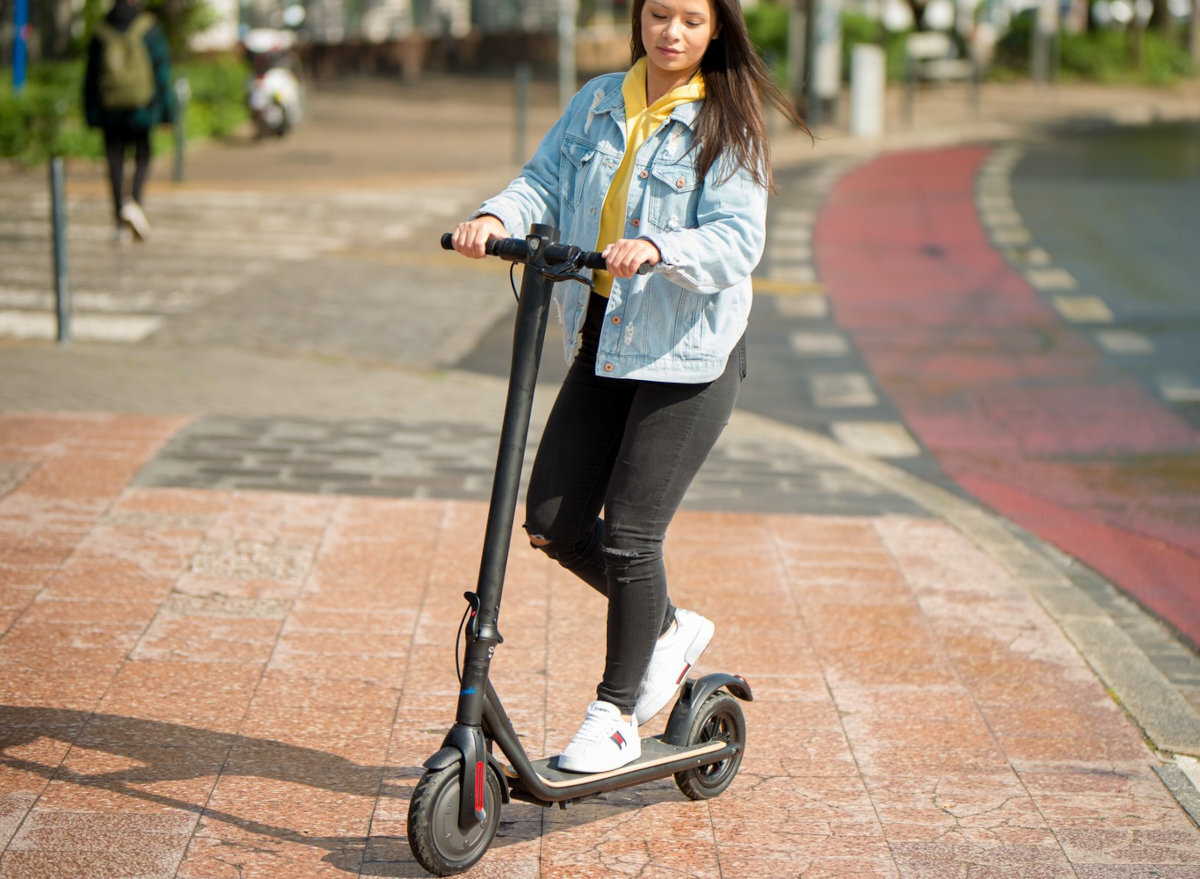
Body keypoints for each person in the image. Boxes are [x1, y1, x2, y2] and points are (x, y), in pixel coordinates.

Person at [450, 0, 807, 774]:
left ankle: (614, 712)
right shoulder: (597, 101)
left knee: (631, 534)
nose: (670, 33)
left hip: (689, 353)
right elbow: (542, 179)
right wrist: (492, 215)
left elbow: (737, 239)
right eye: (657, 15)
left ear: (716, 30)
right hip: (605, 338)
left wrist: (659, 245)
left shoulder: (727, 121)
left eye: (689, 20)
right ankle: (670, 628)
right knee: (550, 519)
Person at [83, 0, 176, 244]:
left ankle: (119, 221)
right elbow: (162, 72)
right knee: (143, 154)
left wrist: (91, 113)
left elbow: (91, 76)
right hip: (141, 109)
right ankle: (134, 202)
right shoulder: (149, 27)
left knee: (114, 159)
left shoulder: (101, 29)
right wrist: (167, 113)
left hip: (110, 109)